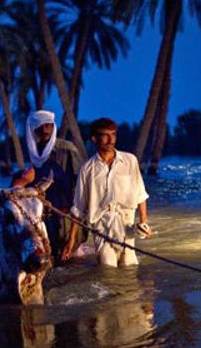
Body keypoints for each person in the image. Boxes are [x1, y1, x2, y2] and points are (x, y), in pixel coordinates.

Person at [62, 117, 153, 267]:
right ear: (94, 138)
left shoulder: (130, 161)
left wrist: (144, 222)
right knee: (107, 267)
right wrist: (71, 241)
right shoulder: (87, 169)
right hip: (101, 227)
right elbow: (78, 209)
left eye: (113, 134)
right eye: (105, 135)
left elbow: (140, 194)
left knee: (130, 267)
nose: (111, 139)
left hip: (126, 223)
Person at [13, 110, 84, 263]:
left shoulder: (67, 150)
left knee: (70, 267)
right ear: (34, 130)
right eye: (40, 126)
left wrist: (72, 234)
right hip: (45, 221)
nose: (45, 129)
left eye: (48, 125)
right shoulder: (35, 154)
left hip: (66, 219)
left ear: (53, 127)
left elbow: (80, 189)